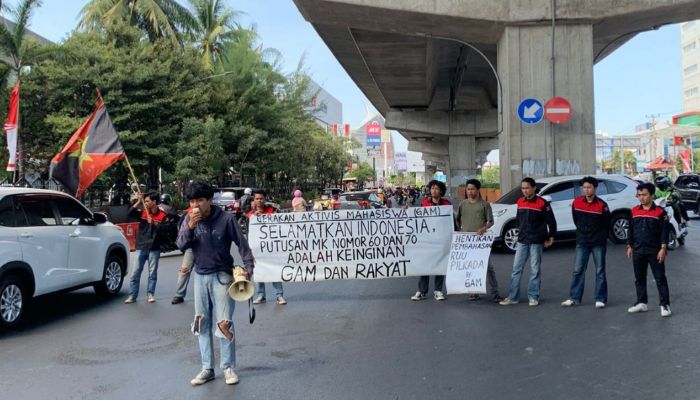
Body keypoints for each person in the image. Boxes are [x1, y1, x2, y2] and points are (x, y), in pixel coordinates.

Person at [176, 181, 255, 386]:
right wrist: (191, 227)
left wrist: (248, 269)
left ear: (210, 200)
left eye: (200, 200)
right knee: (202, 324)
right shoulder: (188, 219)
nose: (195, 205)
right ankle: (206, 368)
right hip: (200, 277)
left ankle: (228, 367)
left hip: (223, 277)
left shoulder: (226, 219)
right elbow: (180, 245)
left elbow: (242, 245)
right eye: (192, 201)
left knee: (224, 323)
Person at [500, 177, 556, 307]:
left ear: (534, 188)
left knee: (535, 269)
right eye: (522, 188)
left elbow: (551, 221)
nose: (524, 191)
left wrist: (551, 237)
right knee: (516, 269)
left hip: (537, 240)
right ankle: (513, 297)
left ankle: (533, 296)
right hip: (522, 240)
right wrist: (519, 231)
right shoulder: (520, 201)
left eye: (527, 188)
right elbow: (519, 219)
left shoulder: (542, 203)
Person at [561, 176, 611, 308]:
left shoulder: (602, 205)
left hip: (598, 242)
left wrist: (600, 237)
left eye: (589, 187)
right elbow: (576, 220)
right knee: (577, 271)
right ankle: (574, 298)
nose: (586, 190)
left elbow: (607, 224)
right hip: (582, 241)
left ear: (595, 188)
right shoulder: (576, 202)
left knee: (600, 271)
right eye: (584, 187)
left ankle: (600, 299)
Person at [627, 182, 672, 317]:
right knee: (639, 278)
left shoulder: (660, 212)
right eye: (639, 195)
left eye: (644, 195)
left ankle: (665, 305)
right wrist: (630, 246)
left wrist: (663, 248)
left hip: (655, 251)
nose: (641, 198)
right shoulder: (634, 211)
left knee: (660, 278)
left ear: (652, 195)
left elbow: (664, 232)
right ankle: (642, 303)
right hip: (638, 250)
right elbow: (631, 230)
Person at [456, 179, 503, 303]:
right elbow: (458, 219)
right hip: (467, 241)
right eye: (468, 189)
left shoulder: (485, 205)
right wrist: (461, 230)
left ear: (477, 190)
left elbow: (491, 221)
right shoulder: (462, 204)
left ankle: (495, 293)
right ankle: (474, 291)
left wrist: (484, 228)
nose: (470, 191)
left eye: (472, 189)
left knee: (488, 268)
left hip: (481, 241)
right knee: (470, 267)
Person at [124, 192, 176, 304]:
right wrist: (138, 200)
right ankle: (132, 296)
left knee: (152, 273)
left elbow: (167, 230)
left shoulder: (162, 215)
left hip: (154, 247)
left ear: (154, 202)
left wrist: (154, 224)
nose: (146, 203)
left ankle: (150, 294)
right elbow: (129, 213)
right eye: (145, 201)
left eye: (147, 201)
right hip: (141, 246)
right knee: (135, 273)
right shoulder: (142, 212)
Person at [411, 180, 451, 301]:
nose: (434, 190)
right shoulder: (424, 203)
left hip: (441, 240)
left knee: (440, 264)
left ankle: (438, 290)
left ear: (441, 191)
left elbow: (450, 222)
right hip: (427, 240)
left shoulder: (446, 204)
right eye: (432, 188)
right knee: (425, 265)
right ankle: (422, 291)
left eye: (437, 188)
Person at [248, 190, 287, 305]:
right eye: (257, 199)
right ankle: (261, 295)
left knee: (274, 270)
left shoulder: (272, 210)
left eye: (261, 198)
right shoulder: (250, 213)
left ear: (265, 199)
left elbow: (279, 222)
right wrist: (255, 216)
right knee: (259, 271)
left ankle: (279, 295)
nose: (259, 201)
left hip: (271, 248)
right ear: (253, 200)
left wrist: (266, 217)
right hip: (256, 248)